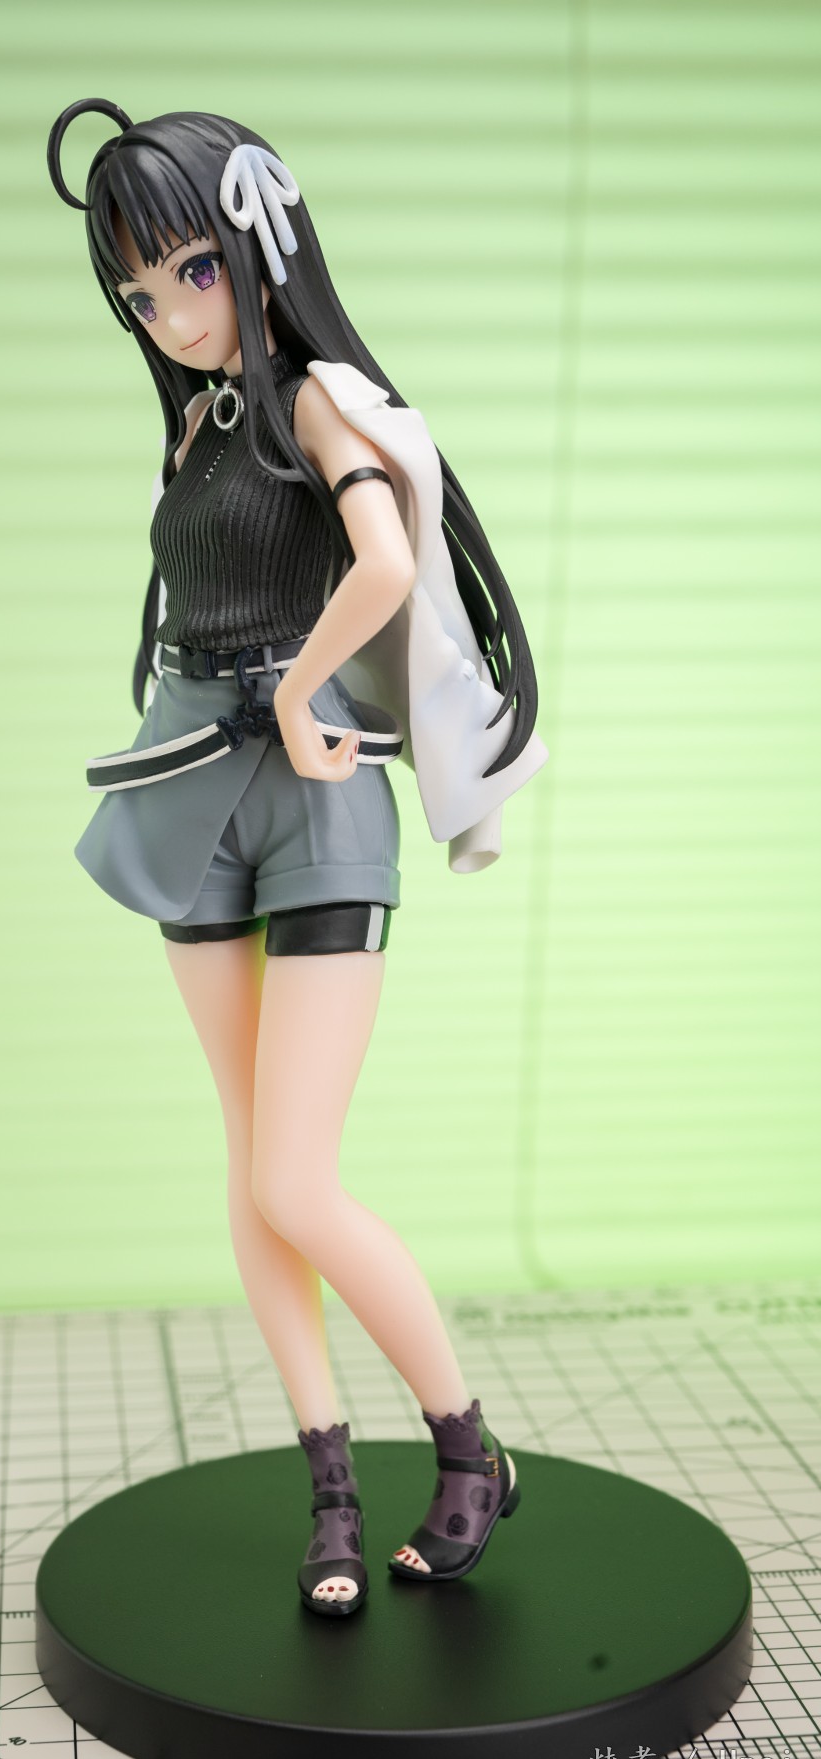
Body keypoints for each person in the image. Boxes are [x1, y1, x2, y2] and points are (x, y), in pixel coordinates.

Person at [47, 100, 545, 1616]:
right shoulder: (194, 424)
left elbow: (386, 559)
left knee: (295, 1172)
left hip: (317, 795)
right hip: (191, 792)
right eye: (141, 293)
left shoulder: (318, 400)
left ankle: (467, 1447)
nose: (173, 314)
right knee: (251, 1170)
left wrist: (297, 685)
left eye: (192, 271)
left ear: (256, 245)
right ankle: (328, 1486)